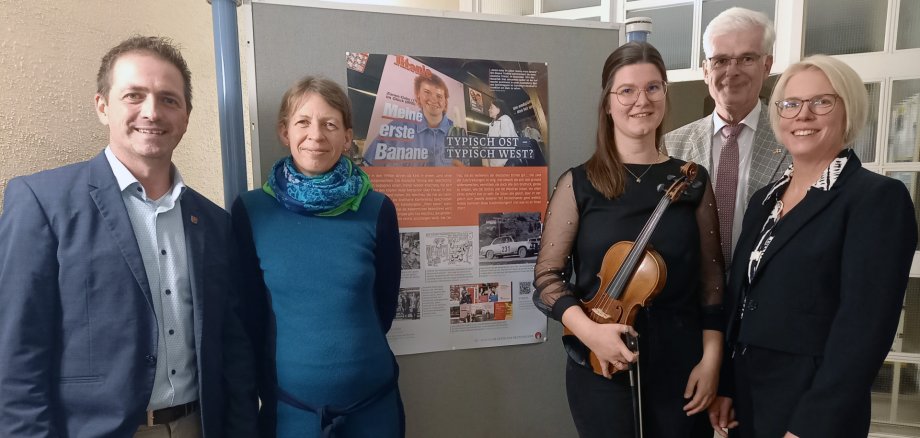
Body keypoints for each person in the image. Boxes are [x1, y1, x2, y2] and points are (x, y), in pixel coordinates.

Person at [0, 36, 257, 437]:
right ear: (103, 106)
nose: (151, 112)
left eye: (169, 99)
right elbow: (17, 353)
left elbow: (232, 346)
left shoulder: (214, 223)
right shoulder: (41, 203)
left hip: (197, 427)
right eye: (134, 95)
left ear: (186, 115)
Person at [710, 55, 917, 438]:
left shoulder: (875, 199)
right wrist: (726, 386)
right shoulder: (764, 199)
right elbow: (741, 299)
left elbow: (865, 327)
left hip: (813, 406)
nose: (803, 115)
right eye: (790, 104)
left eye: (821, 102)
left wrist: (814, 424)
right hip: (748, 399)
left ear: (848, 111)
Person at [532, 41, 725, 438]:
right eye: (627, 90)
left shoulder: (692, 180)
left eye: (653, 88)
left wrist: (711, 361)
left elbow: (712, 283)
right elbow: (547, 280)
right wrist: (591, 334)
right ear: (607, 103)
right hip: (601, 364)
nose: (642, 101)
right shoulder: (579, 184)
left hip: (682, 363)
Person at [232, 76, 403, 438]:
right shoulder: (252, 211)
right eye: (303, 122)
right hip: (292, 412)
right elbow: (250, 317)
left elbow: (383, 309)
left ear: (346, 135)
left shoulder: (377, 209)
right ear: (284, 132)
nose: (317, 135)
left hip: (374, 409)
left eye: (330, 124)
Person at [664, 7, 791, 266]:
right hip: (691, 297)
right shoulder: (670, 145)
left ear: (767, 65)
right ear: (705, 70)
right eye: (720, 60)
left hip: (763, 297)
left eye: (746, 59)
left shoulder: (793, 142)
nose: (732, 72)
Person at [362, 73, 459, 167]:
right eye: (427, 92)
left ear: (445, 102)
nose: (433, 99)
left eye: (439, 96)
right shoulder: (396, 127)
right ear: (418, 96)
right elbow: (368, 169)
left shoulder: (458, 133)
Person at [485, 98, 517, 166]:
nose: (489, 110)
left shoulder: (505, 119)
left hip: (506, 164)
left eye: (491, 107)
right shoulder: (492, 124)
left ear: (499, 109)